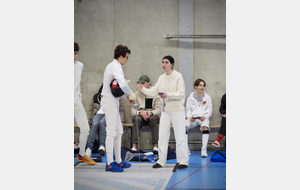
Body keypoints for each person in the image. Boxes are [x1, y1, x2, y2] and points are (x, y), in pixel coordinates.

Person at [137, 55, 189, 169]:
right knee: (162, 136)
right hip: (165, 111)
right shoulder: (161, 78)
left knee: (180, 136)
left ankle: (183, 161)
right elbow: (152, 92)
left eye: (166, 62)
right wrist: (143, 89)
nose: (164, 64)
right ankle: (161, 161)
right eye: (162, 62)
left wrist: (168, 94)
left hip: (178, 110)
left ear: (172, 64)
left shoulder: (178, 76)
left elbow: (181, 93)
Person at [101, 44, 136, 172]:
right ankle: (109, 163)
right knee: (111, 131)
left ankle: (118, 160)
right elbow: (121, 83)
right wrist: (130, 93)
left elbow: (118, 86)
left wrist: (126, 93)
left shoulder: (115, 66)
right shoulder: (115, 66)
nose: (127, 59)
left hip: (113, 99)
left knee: (118, 130)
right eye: (126, 57)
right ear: (121, 57)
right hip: (109, 100)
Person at [85, 84, 125, 157]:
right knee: (94, 124)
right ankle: (89, 148)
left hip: (108, 114)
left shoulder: (116, 97)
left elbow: (121, 109)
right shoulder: (96, 97)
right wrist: (88, 120)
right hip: (97, 114)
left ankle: (102, 145)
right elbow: (91, 109)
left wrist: (122, 120)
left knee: (101, 123)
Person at [74, 42, 95, 165]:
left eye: (76, 54)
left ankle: (82, 154)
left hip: (76, 101)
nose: (74, 56)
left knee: (85, 129)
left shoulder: (80, 65)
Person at [131, 75, 161, 152]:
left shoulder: (155, 94)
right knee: (136, 119)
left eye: (143, 83)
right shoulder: (136, 94)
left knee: (153, 119)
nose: (141, 85)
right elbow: (133, 111)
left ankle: (155, 146)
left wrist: (150, 113)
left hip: (152, 114)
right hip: (140, 115)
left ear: (148, 83)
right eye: (140, 83)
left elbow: (159, 110)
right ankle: (134, 146)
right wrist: (141, 113)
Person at [185, 79, 213, 157]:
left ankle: (204, 150)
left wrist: (205, 116)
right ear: (196, 86)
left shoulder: (207, 97)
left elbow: (210, 110)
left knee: (205, 127)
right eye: (200, 85)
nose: (202, 87)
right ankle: (186, 150)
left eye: (203, 85)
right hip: (193, 118)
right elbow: (188, 109)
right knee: (183, 126)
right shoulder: (190, 97)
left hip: (203, 118)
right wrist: (190, 117)